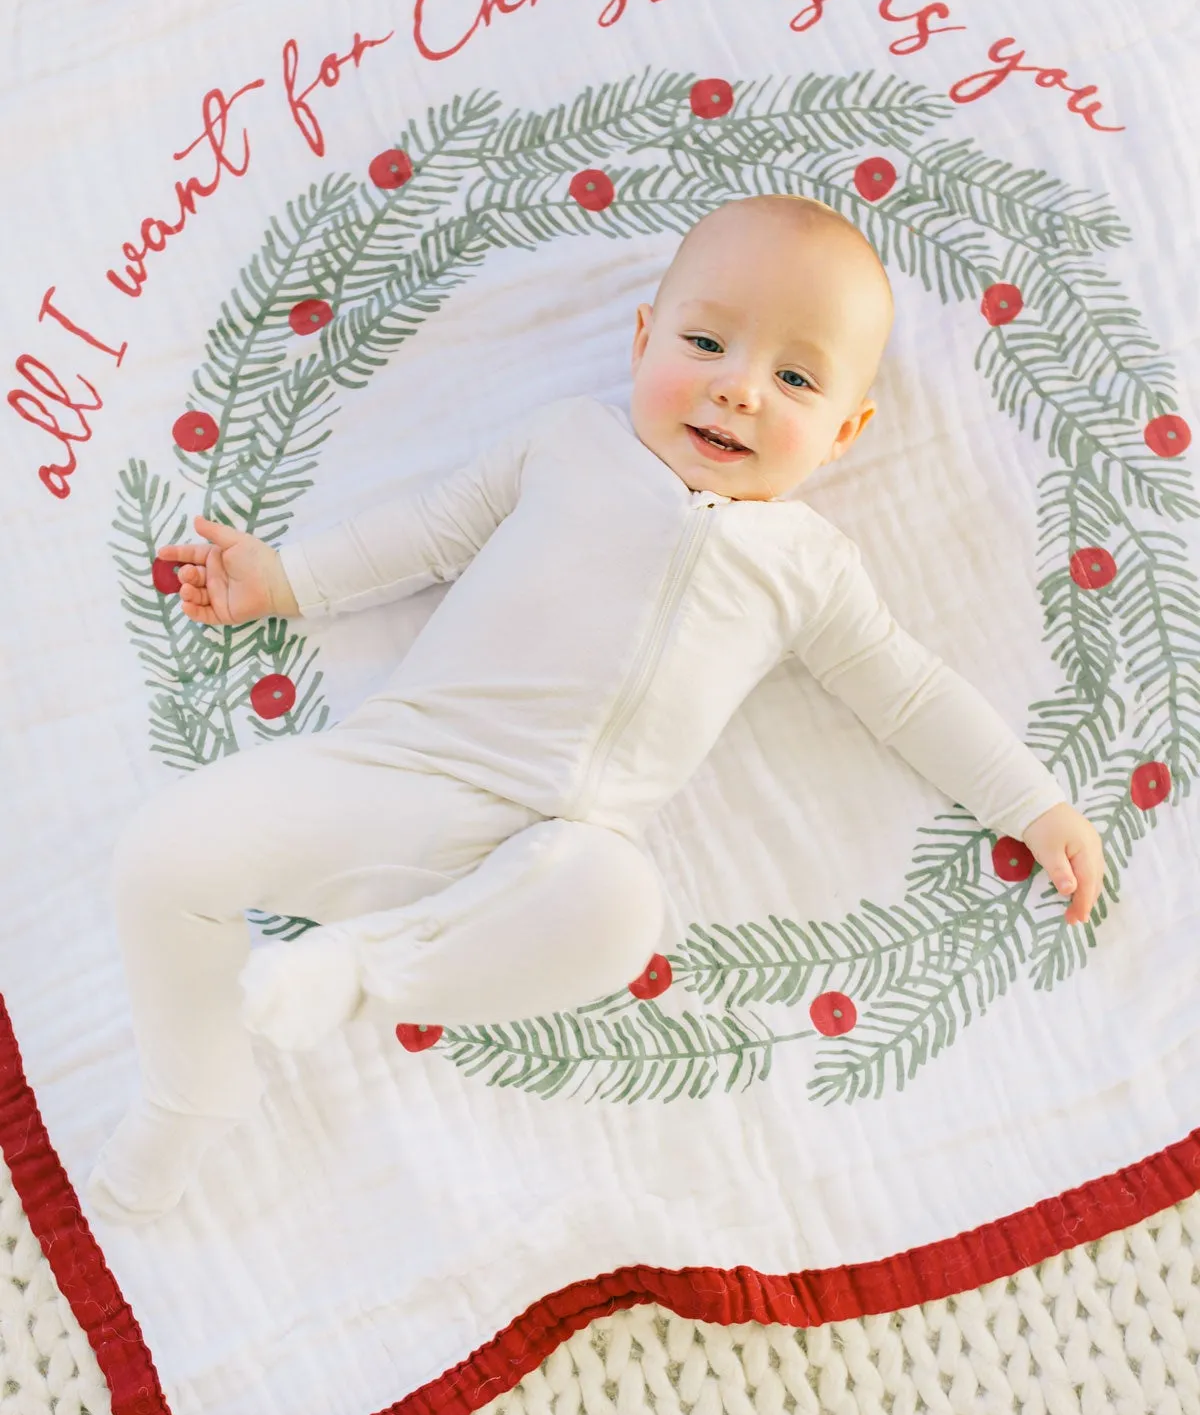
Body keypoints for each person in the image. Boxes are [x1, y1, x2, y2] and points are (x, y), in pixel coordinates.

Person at [86, 194, 1106, 1224]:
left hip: (555, 853)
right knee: (164, 853)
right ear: (641, 338)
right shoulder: (567, 443)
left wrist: (1034, 805)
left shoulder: (812, 568)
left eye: (794, 378)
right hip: (396, 778)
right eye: (706, 341)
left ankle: (356, 972)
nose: (739, 389)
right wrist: (285, 579)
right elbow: (428, 533)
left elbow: (913, 691)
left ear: (845, 431)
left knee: (622, 907)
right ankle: (193, 1086)